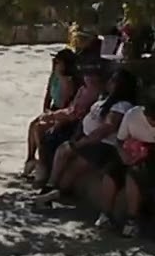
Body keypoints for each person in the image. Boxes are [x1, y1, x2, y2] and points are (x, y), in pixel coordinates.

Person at [34, 69, 136, 205]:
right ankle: (50, 187)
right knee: (62, 150)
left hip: (102, 144)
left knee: (72, 168)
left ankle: (55, 193)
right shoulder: (106, 98)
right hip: (86, 137)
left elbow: (106, 129)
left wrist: (83, 142)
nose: (110, 83)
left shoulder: (121, 106)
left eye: (113, 81)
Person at [100, 99, 155, 237]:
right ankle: (105, 215)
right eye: (151, 120)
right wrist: (123, 155)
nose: (154, 124)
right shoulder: (132, 115)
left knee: (133, 174)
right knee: (111, 171)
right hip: (132, 148)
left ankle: (131, 221)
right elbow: (119, 140)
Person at [23, 48, 80, 176]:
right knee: (33, 124)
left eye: (57, 62)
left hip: (62, 111)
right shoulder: (53, 77)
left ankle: (44, 163)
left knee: (39, 129)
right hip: (53, 109)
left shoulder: (69, 81)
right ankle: (30, 158)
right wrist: (45, 111)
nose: (54, 63)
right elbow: (48, 95)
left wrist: (53, 117)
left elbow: (65, 101)